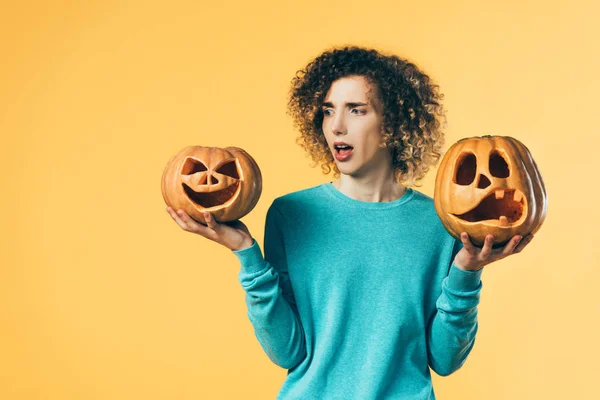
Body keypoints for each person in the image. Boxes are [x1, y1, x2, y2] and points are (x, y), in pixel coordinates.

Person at [166, 45, 534, 399]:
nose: (336, 127)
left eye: (356, 110)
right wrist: (246, 253)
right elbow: (288, 352)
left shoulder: (441, 222)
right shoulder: (290, 214)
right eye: (328, 110)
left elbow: (444, 359)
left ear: (393, 122)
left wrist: (467, 273)